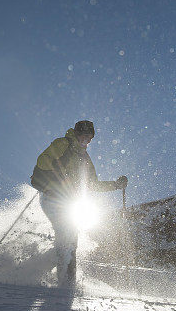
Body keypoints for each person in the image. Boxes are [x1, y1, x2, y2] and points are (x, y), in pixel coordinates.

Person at [31, 120, 127, 286]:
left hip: (70, 202)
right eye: (83, 135)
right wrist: (54, 173)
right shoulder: (63, 143)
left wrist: (116, 185)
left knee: (70, 240)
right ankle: (66, 283)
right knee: (67, 236)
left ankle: (40, 271)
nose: (86, 140)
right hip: (53, 196)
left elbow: (93, 184)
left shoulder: (86, 159)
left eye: (89, 138)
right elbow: (42, 159)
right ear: (76, 133)